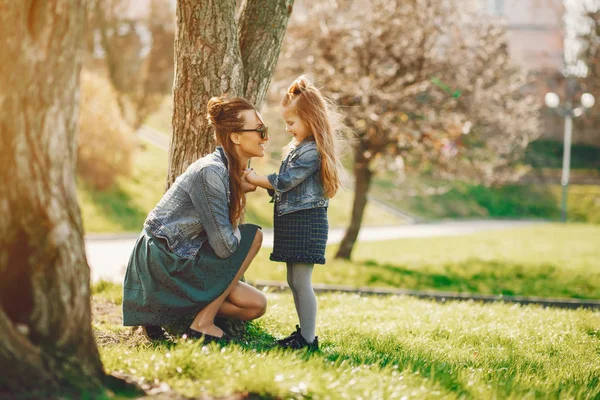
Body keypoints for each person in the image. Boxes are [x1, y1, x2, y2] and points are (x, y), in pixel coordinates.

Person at [122, 96, 270, 344]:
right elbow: (224, 247)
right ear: (235, 137)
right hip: (167, 259)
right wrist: (234, 199)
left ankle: (174, 311)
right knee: (254, 236)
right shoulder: (211, 172)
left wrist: (237, 190)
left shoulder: (224, 172)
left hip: (183, 257)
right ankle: (202, 322)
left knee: (255, 305)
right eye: (260, 131)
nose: (265, 138)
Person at [245, 76, 343, 350]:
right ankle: (303, 334)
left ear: (311, 119)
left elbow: (286, 181)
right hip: (293, 220)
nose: (288, 128)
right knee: (294, 280)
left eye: (292, 123)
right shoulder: (300, 147)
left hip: (306, 222)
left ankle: (309, 340)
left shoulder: (312, 152)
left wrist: (256, 178)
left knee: (301, 282)